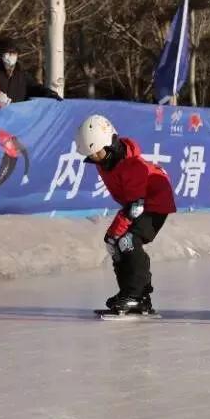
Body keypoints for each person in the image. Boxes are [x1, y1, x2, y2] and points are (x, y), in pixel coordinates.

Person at [76, 115, 176, 314]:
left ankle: (138, 295)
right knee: (113, 244)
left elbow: (135, 207)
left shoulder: (132, 166)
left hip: (156, 202)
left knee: (127, 241)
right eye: (92, 155)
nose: (95, 158)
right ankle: (128, 293)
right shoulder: (105, 162)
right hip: (136, 203)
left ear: (110, 145)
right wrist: (112, 235)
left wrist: (117, 231)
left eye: (98, 153)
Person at [0, 37, 62, 103]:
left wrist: (49, 93)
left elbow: (34, 88)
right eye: (8, 52)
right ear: (0, 54)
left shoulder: (21, 73)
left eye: (14, 53)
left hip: (16, 114)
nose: (11, 56)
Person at [0, 129, 30, 195]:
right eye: (5, 143)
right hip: (7, 156)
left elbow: (27, 160)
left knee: (7, 175)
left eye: (8, 142)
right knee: (0, 176)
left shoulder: (20, 147)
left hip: (14, 158)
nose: (6, 144)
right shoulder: (3, 139)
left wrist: (25, 174)